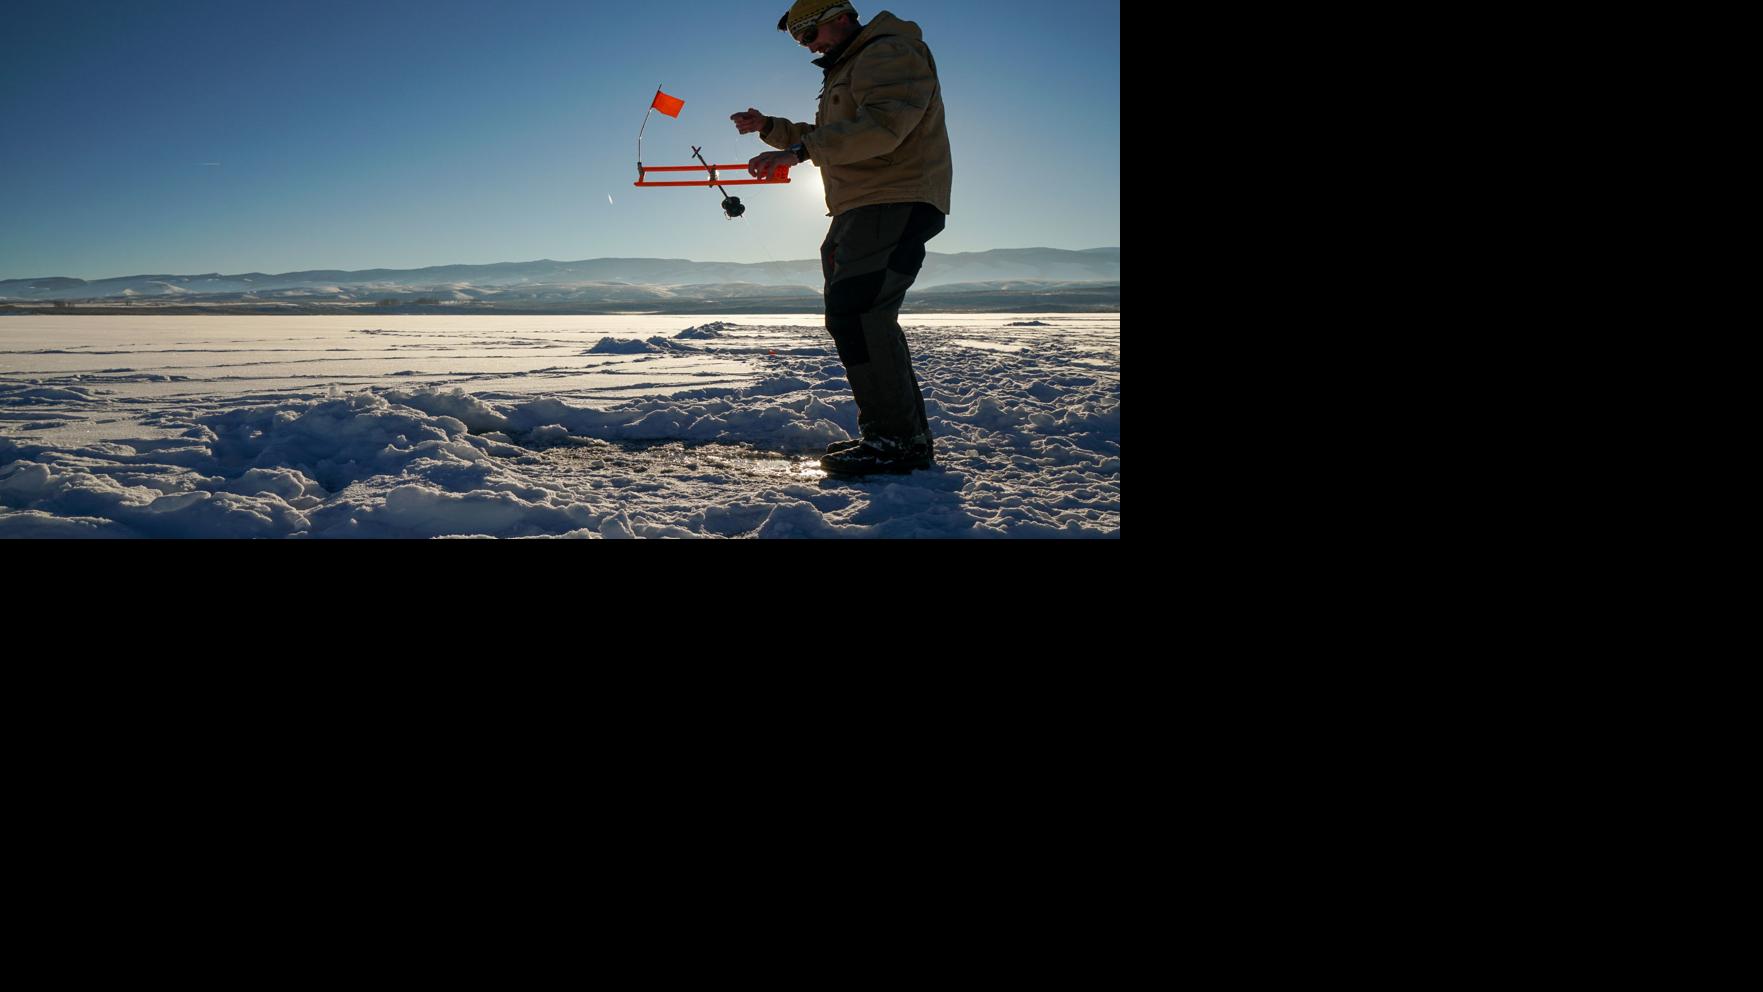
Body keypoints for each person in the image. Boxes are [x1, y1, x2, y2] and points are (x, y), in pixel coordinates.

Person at [731, 1, 952, 475]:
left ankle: (896, 442)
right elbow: (838, 132)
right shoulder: (853, 63)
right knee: (859, 313)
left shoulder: (887, 52)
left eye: (808, 35)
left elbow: (883, 128)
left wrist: (800, 152)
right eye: (798, 41)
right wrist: (773, 130)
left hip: (890, 199)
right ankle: (899, 437)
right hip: (865, 204)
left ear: (838, 17)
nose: (808, 47)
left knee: (859, 312)